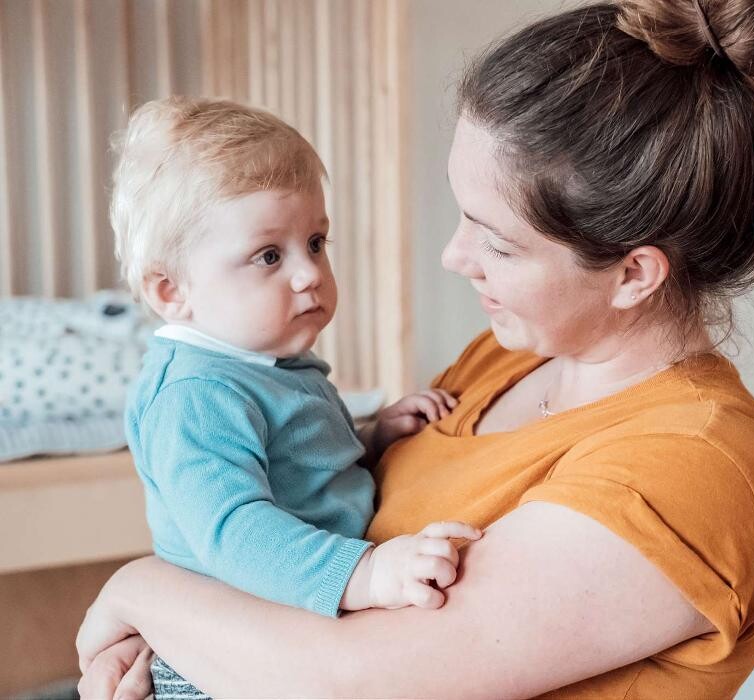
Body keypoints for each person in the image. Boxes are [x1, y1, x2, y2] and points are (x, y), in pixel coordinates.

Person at [77, 0, 754, 697]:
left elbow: (342, 684)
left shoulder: (694, 470)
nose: (455, 257)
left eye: (497, 242)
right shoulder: (508, 356)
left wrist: (139, 590)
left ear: (633, 273)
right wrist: (180, 641)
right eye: (464, 216)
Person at [109, 97, 481, 698]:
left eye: (315, 241)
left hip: (287, 623)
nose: (309, 273)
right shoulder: (196, 393)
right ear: (172, 290)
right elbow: (235, 531)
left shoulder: (266, 360)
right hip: (219, 659)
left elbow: (293, 467)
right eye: (268, 256)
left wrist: (371, 438)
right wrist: (364, 574)